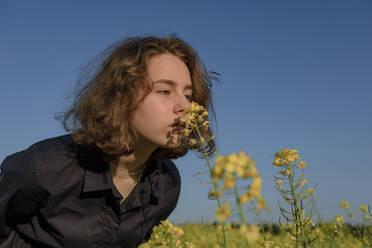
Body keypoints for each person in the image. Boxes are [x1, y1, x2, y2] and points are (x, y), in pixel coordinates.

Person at [0, 36, 216, 248]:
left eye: (188, 95)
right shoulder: (46, 166)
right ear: (122, 96)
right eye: (164, 91)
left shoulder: (168, 184)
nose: (185, 107)